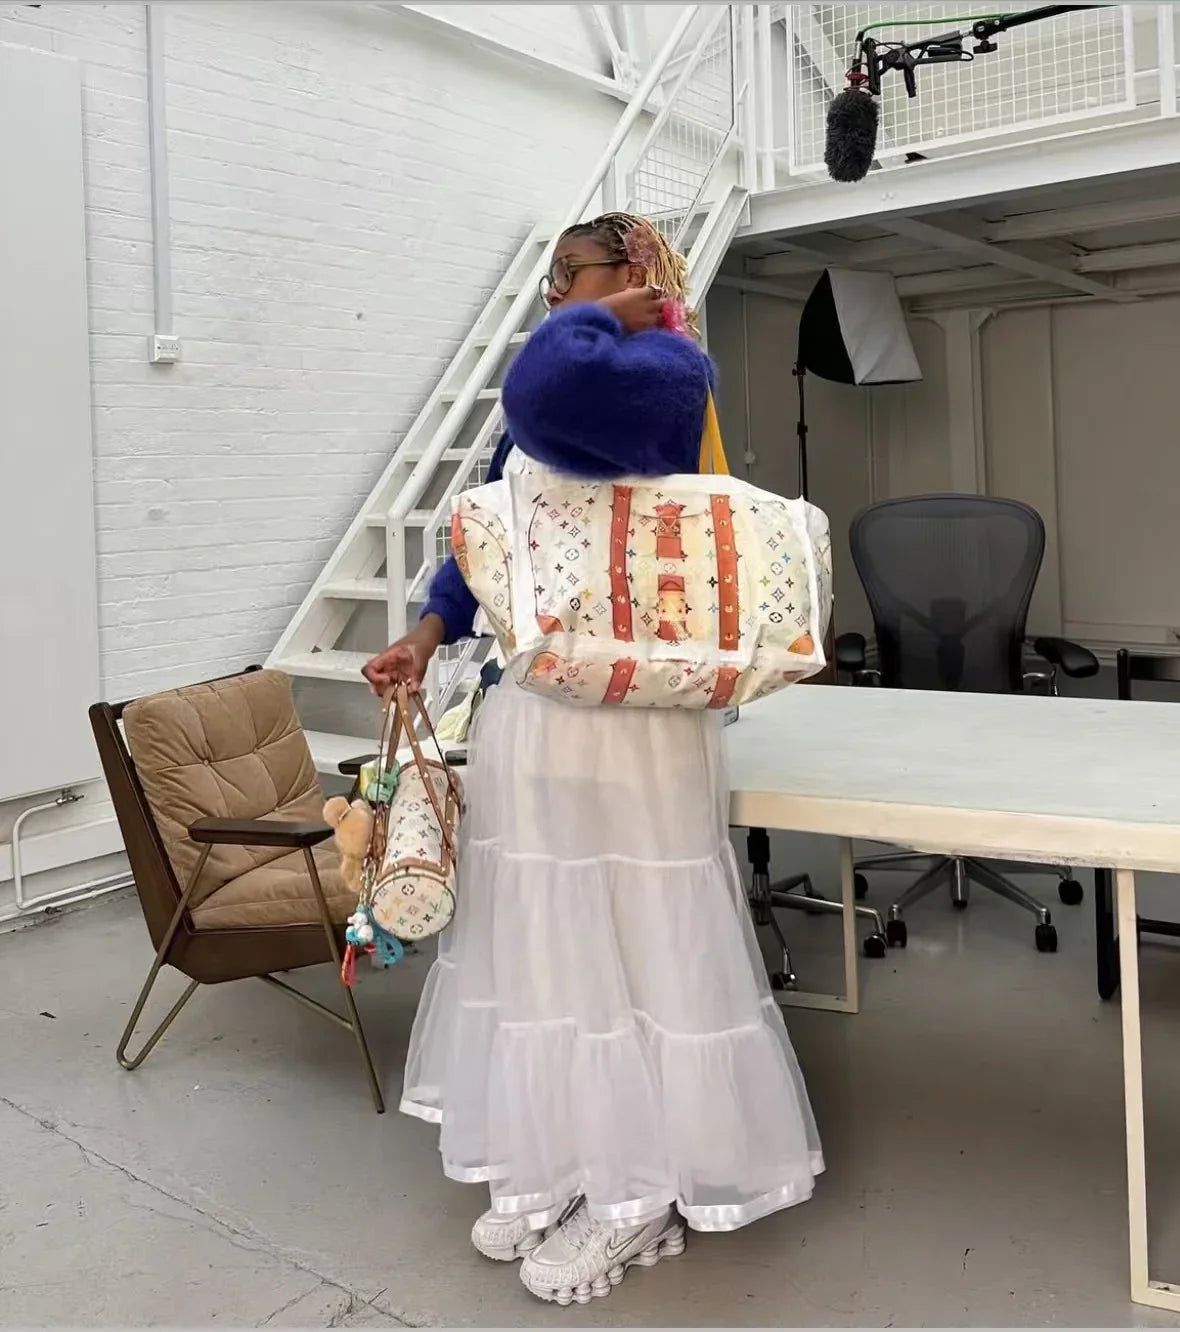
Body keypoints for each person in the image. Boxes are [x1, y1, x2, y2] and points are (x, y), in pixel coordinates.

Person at [363, 213, 822, 1308]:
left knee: (642, 941)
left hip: (638, 722)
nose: (556, 295)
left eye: (570, 273)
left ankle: (639, 1192)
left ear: (634, 273)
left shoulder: (667, 372)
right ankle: (565, 1155)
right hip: (537, 712)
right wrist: (427, 633)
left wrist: (612, 317)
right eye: (553, 280)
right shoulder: (563, 378)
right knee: (548, 942)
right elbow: (491, 540)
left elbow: (550, 400)